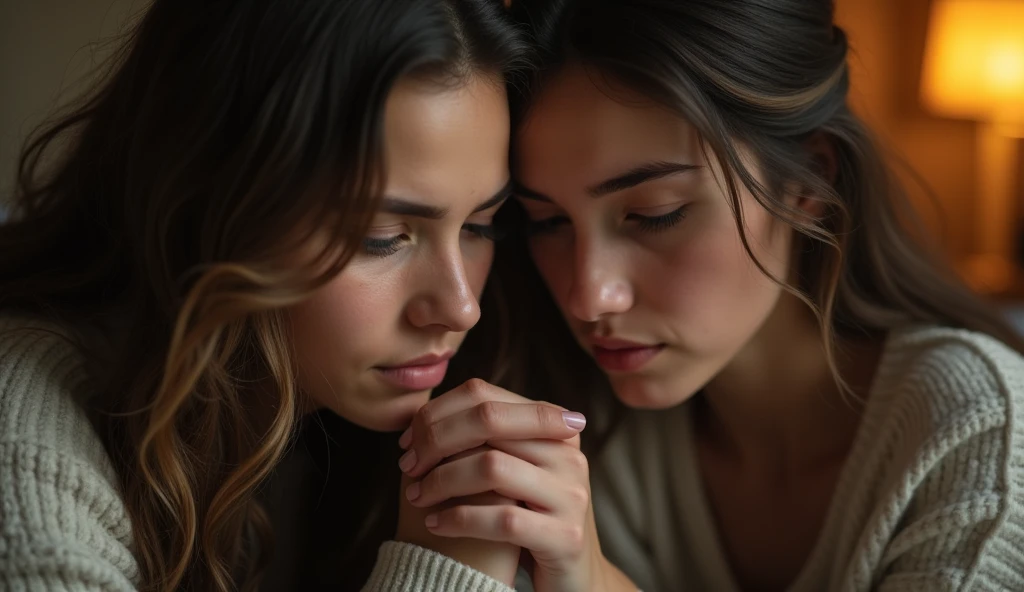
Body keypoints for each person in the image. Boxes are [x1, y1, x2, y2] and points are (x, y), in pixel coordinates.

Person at [395, 0, 1024, 590]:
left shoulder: (975, 434)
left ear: (807, 182)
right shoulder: (567, 423)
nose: (590, 297)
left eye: (654, 214)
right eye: (548, 223)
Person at [0, 0, 560, 590]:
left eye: (479, 226)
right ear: (218, 209)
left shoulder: (359, 424)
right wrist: (444, 573)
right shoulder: (24, 434)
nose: (460, 306)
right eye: (382, 238)